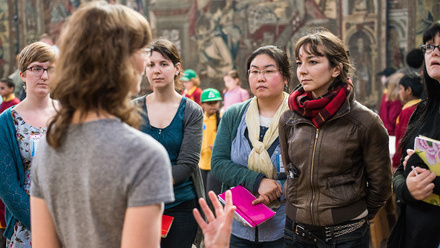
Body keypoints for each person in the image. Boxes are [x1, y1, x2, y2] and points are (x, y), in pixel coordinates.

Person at [29, 2, 174, 248]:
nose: (146, 61)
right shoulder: (144, 155)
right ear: (120, 61)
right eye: (142, 49)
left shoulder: (49, 145)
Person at [279, 28, 391, 247]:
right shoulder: (289, 118)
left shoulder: (364, 121)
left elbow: (381, 186)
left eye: (312, 62)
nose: (302, 70)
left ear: (335, 69)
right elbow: (291, 171)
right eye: (299, 62)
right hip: (296, 230)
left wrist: (352, 217)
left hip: (346, 233)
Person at [211, 45, 291, 247]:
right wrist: (257, 181)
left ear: (286, 77)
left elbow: (310, 172)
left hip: (286, 227)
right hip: (238, 228)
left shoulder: (299, 117)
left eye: (269, 71)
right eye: (254, 71)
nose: (260, 77)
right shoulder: (234, 115)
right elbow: (219, 163)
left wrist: (279, 188)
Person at [133, 38, 204, 248]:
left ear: (176, 68)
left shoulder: (192, 111)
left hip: (180, 205)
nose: (157, 70)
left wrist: (149, 184)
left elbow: (187, 163)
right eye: (151, 64)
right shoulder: (132, 109)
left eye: (164, 64)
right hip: (141, 205)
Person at [0, 41, 57, 248]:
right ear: (22, 74)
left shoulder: (69, 116)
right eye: (36, 68)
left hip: (68, 222)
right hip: (26, 226)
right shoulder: (6, 121)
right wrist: (42, 224)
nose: (44, 75)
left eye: (49, 69)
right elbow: (6, 185)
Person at [391, 21, 440, 248]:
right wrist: (408, 189)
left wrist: (429, 181)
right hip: (415, 230)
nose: (435, 53)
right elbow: (401, 169)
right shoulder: (421, 109)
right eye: (429, 47)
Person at [391, 73, 424, 170]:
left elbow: (402, 139)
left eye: (401, 89)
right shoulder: (423, 107)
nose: (399, 92)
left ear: (408, 90)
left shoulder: (407, 112)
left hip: (406, 161)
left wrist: (396, 162)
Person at [199, 88, 223, 204]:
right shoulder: (199, 119)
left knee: (212, 197)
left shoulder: (222, 118)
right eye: (209, 103)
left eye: (215, 102)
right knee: (202, 196)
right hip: (201, 163)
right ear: (202, 104)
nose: (213, 105)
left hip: (215, 164)